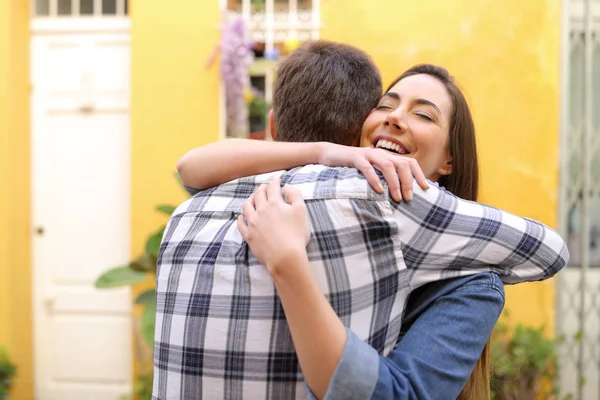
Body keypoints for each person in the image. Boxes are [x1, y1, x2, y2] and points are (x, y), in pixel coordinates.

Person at [155, 42, 568, 400]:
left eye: (424, 115)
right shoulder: (352, 201)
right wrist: (326, 152)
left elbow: (551, 250)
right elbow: (191, 167)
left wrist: (288, 261)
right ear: (357, 134)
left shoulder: (452, 258)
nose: (394, 117)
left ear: (449, 159)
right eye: (385, 105)